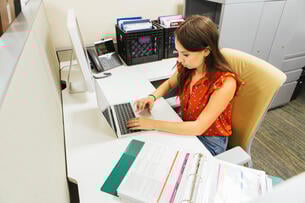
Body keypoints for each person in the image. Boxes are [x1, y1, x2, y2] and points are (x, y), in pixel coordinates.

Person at [127, 15, 244, 156]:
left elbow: (198, 127)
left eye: (185, 54)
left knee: (163, 157)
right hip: (186, 126)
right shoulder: (188, 66)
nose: (180, 59)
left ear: (206, 51)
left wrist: (153, 124)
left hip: (209, 140)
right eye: (178, 52)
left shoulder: (225, 82)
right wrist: (152, 97)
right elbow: (170, 83)